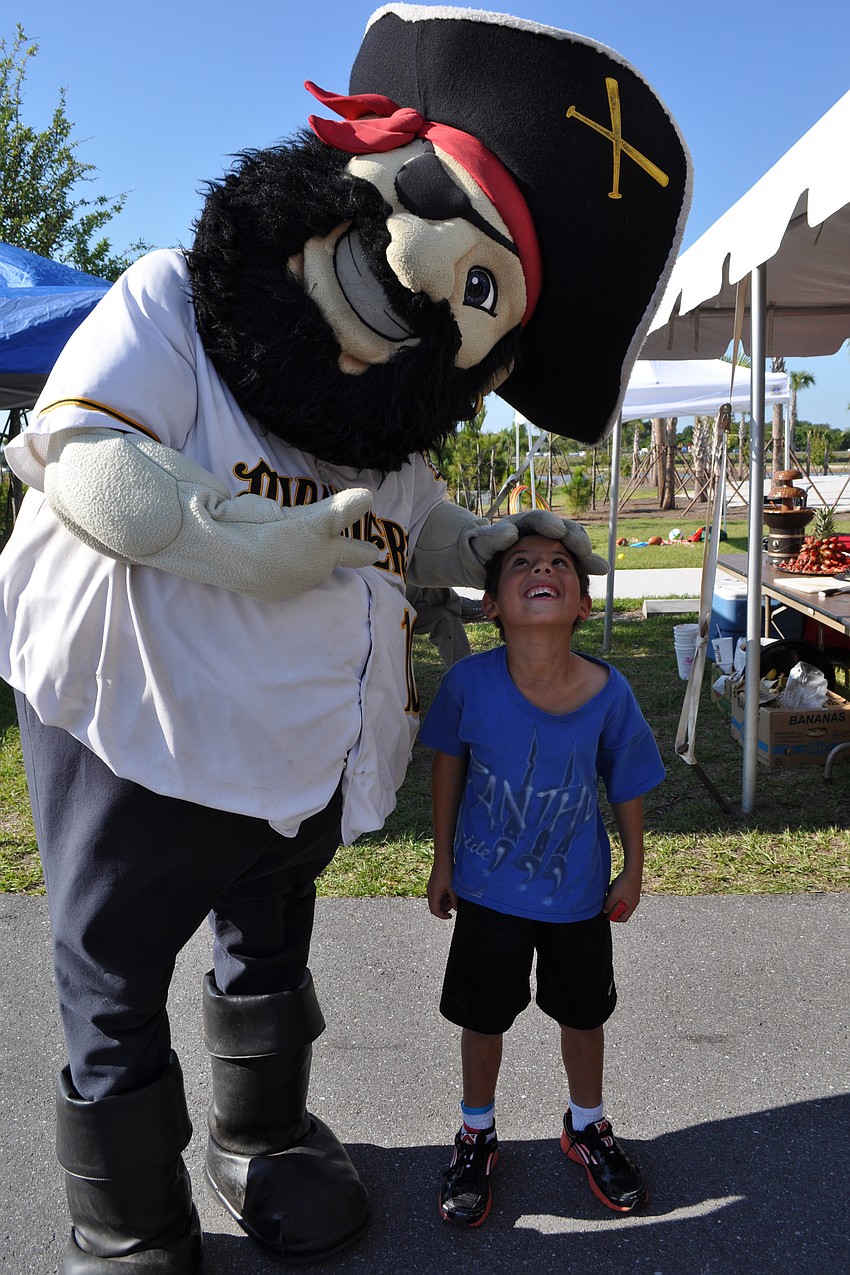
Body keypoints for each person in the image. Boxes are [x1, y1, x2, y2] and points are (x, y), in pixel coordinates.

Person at [419, 517, 665, 1227]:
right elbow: (447, 764)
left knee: (584, 1015)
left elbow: (627, 781)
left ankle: (586, 1125)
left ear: (583, 603)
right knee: (481, 1015)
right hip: (488, 892)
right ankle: (476, 1132)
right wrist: (442, 860)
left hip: (578, 895)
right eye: (520, 563)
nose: (540, 571)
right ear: (492, 602)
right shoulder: (467, 683)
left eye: (558, 564)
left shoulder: (610, 692)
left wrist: (633, 869)